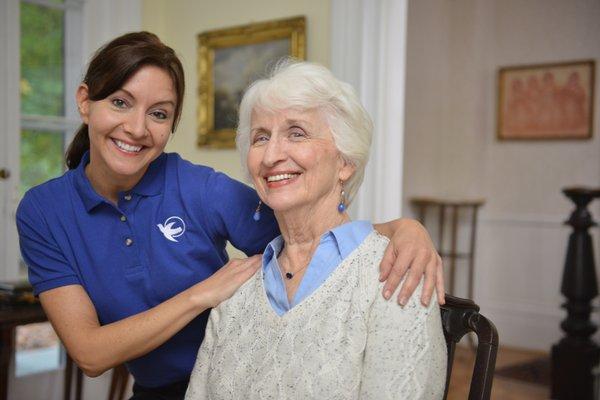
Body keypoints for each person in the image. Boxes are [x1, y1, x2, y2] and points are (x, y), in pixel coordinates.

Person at [16, 32, 444, 400]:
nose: (137, 128)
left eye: (159, 113)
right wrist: (203, 293)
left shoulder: (199, 188)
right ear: (85, 102)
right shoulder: (43, 211)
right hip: (173, 387)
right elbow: (90, 353)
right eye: (121, 102)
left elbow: (310, 229)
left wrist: (404, 229)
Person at [185, 61, 447, 399]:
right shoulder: (236, 288)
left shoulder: (396, 271)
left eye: (297, 133)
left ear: (346, 162)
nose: (271, 156)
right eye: (260, 137)